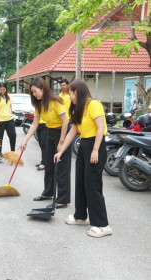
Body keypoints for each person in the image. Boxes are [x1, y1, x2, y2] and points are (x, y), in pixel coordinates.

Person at [54, 80, 112, 238]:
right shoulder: (78, 108)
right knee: (80, 182)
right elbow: (72, 133)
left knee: (93, 185)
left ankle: (102, 224)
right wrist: (61, 151)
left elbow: (101, 127)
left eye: (71, 93)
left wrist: (95, 149)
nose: (70, 96)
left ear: (77, 92)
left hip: (95, 145)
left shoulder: (93, 104)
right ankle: (81, 216)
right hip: (84, 146)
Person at [20, 77, 71, 208]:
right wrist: (24, 141)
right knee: (49, 164)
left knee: (62, 167)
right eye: (32, 92)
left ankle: (63, 199)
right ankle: (48, 193)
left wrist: (62, 141)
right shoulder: (39, 103)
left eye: (35, 91)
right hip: (50, 132)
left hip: (63, 133)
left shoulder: (55, 101)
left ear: (43, 89)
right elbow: (34, 124)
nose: (34, 94)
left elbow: (65, 121)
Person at [0, 82, 16, 160]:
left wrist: (11, 115)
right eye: (1, 89)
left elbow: (10, 107)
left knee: (13, 136)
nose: (2, 91)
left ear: (6, 89)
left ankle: (12, 152)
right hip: (0, 120)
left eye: (4, 89)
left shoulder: (8, 96)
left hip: (9, 120)